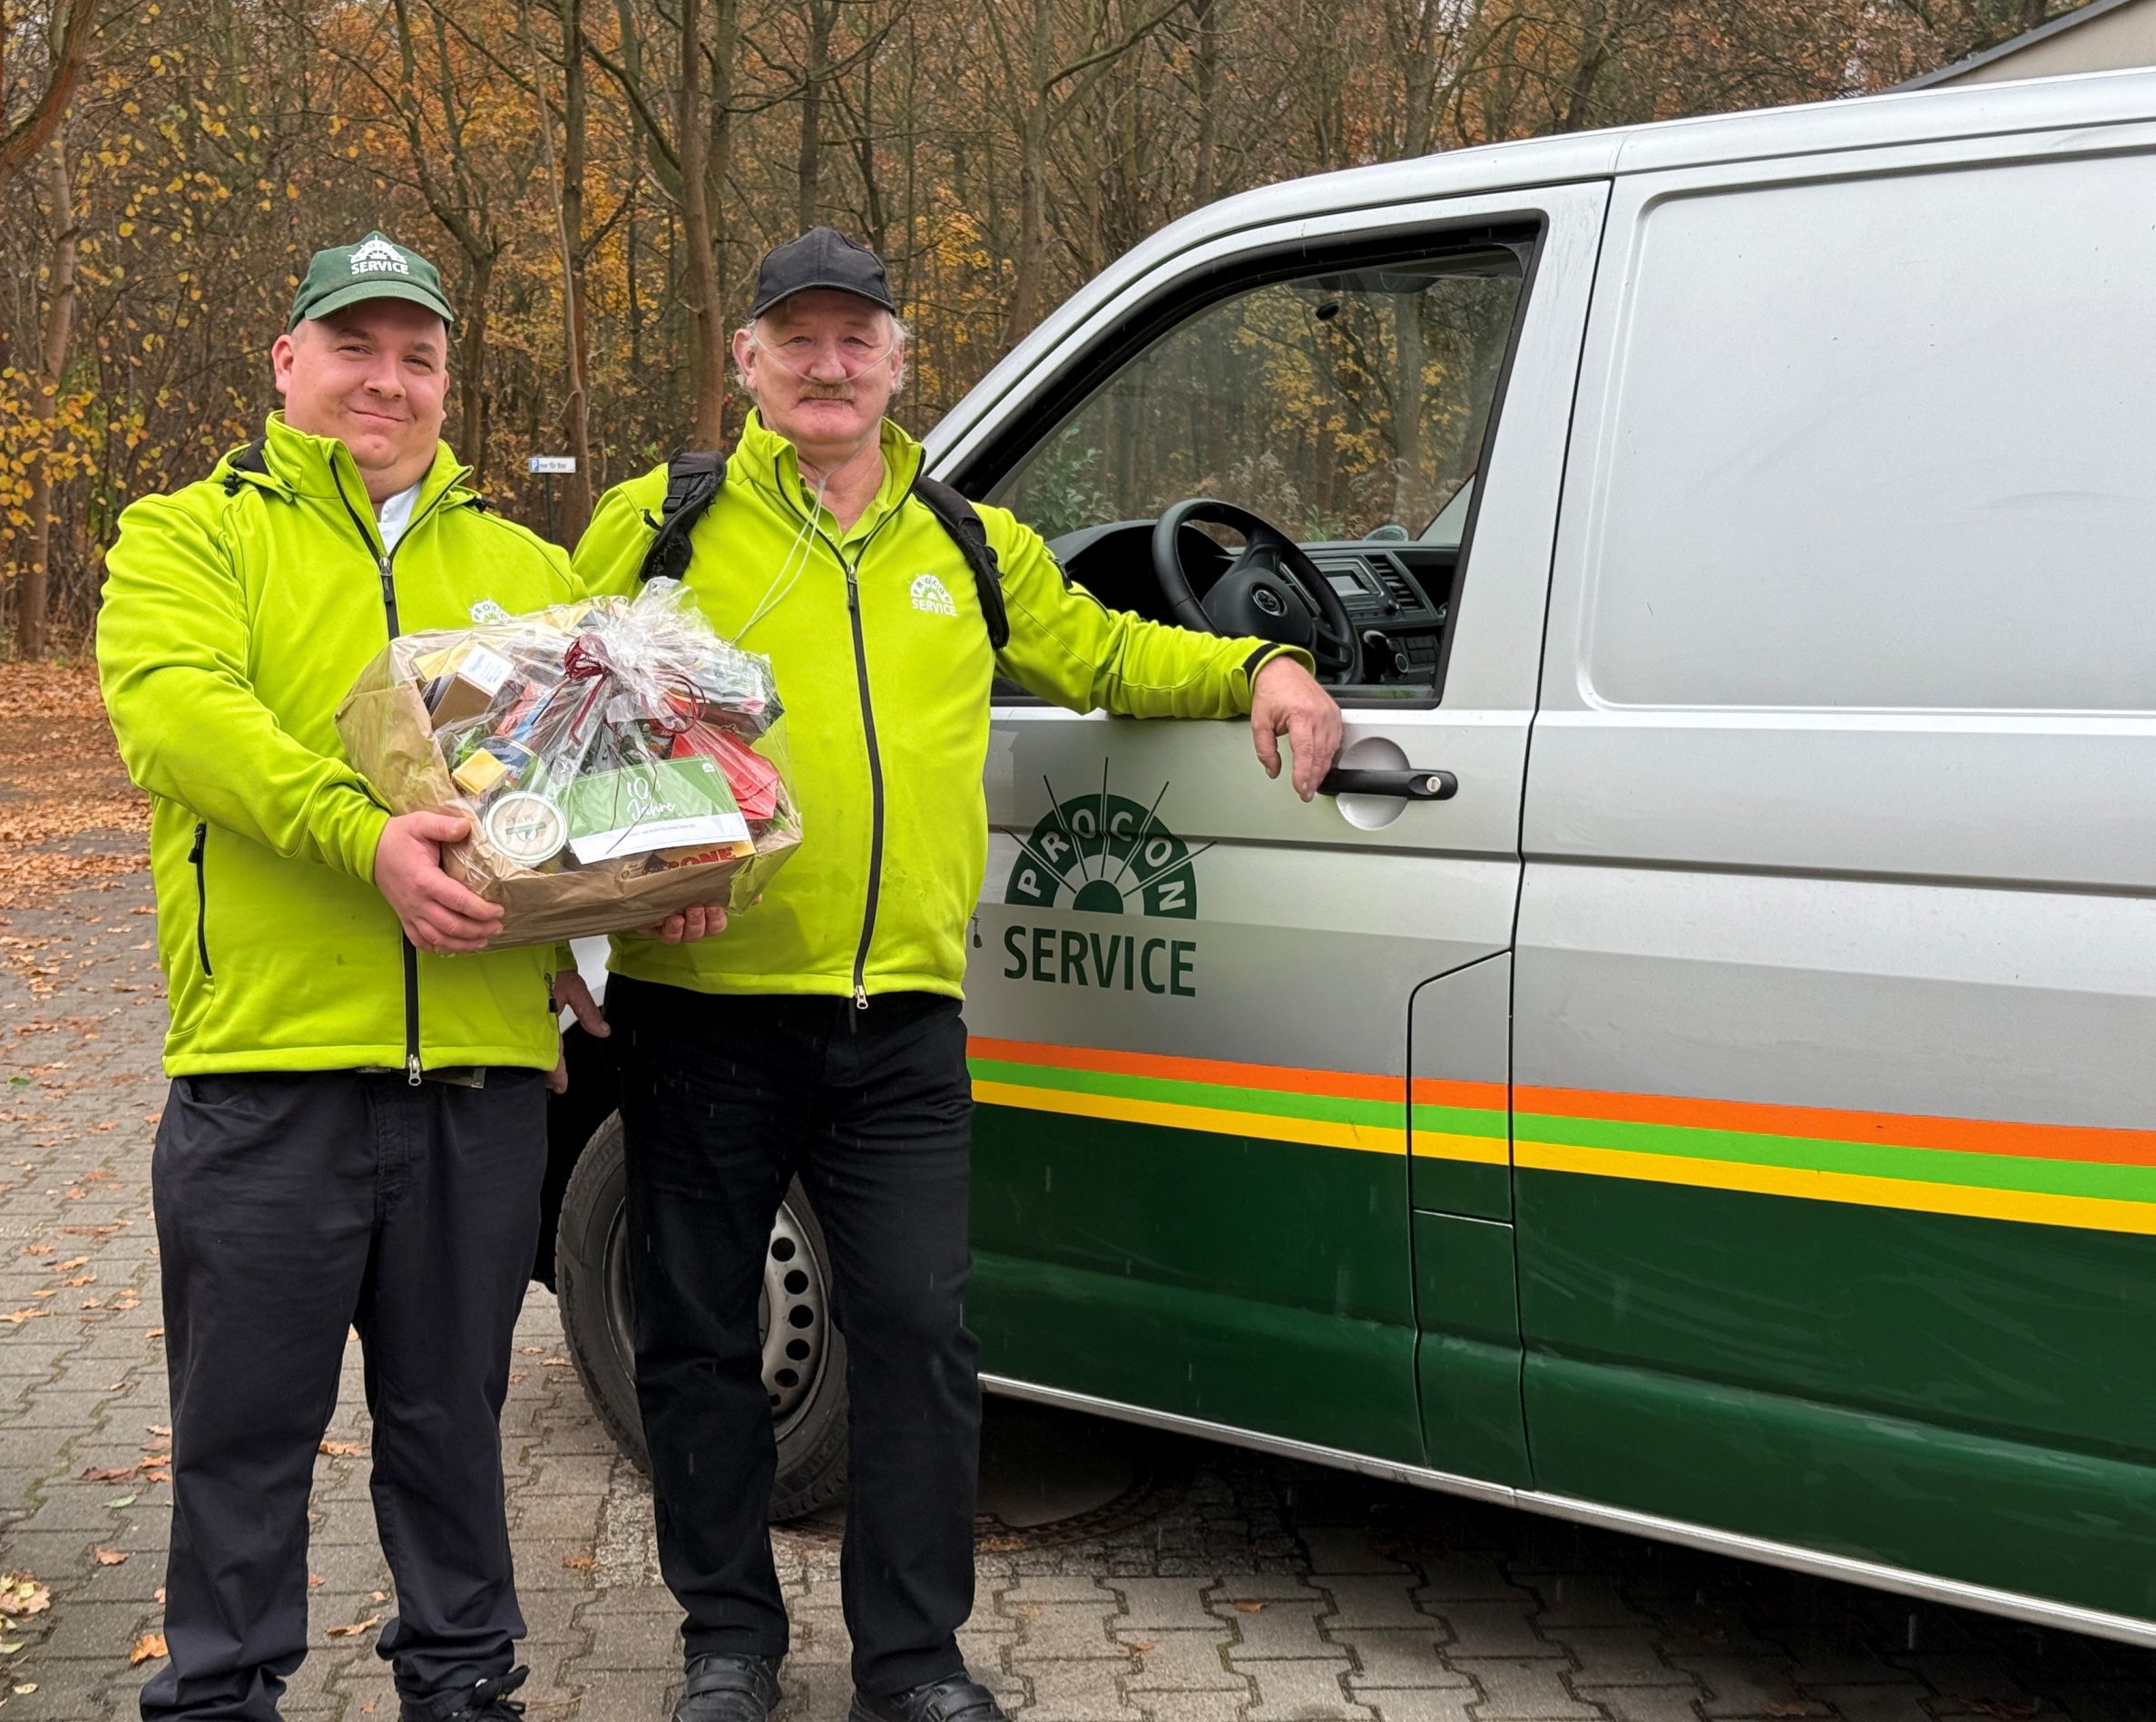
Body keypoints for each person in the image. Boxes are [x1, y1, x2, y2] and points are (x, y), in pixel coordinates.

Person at [569, 227, 1345, 1722]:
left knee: (921, 1337)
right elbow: (549, 698)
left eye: (855, 337)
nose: (827, 363)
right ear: (748, 359)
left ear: (898, 359)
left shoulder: (970, 547)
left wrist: (1259, 670)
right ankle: (728, 1643)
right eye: (795, 336)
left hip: (903, 1028)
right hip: (704, 1020)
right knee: (696, 1340)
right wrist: (591, 896)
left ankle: (912, 1661)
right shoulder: (664, 523)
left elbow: (1107, 654)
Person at [97, 230, 720, 1722]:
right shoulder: (187, 535)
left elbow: (574, 779)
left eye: (420, 357)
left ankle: (461, 1687)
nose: (389, 380)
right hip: (272, 1075)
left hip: (483, 1083)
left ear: (450, 381)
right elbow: (182, 718)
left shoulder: (520, 569)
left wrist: (652, 884)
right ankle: (222, 1692)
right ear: (287, 361)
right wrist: (361, 834)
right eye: (356, 347)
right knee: (245, 1434)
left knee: (453, 1423)